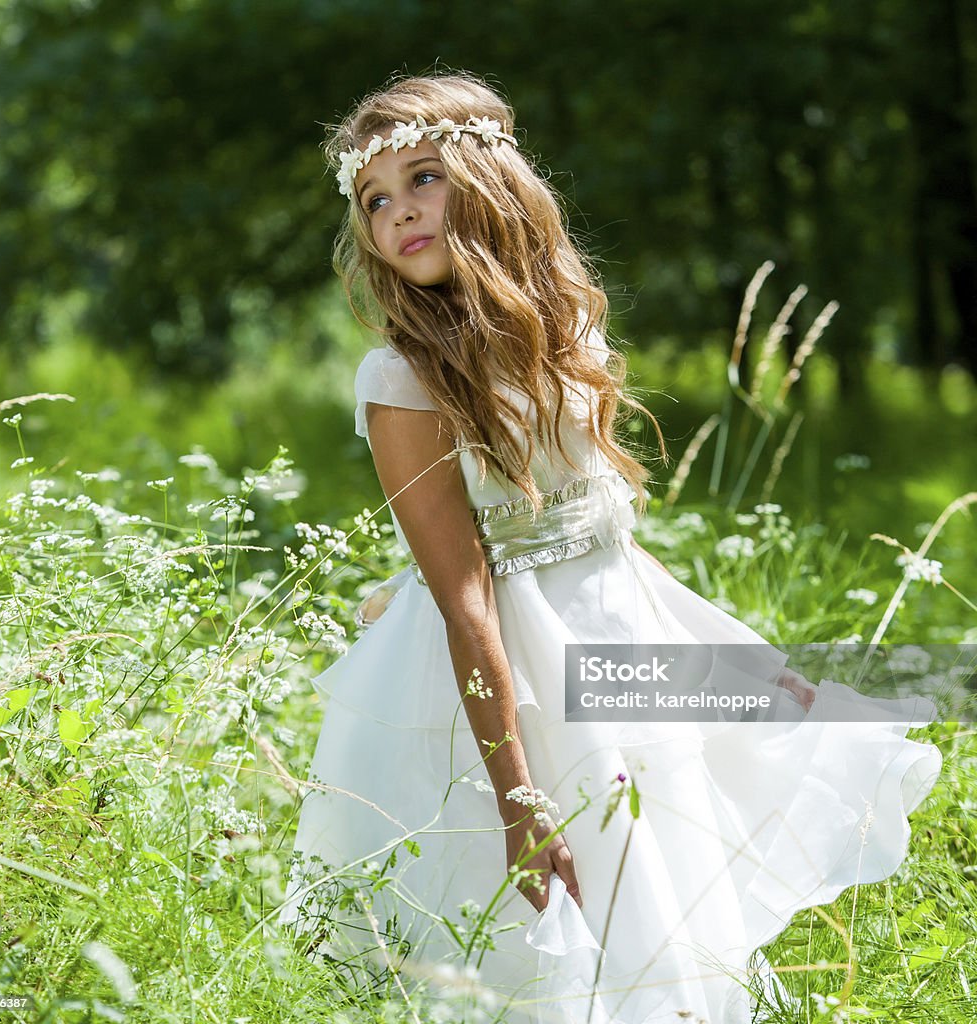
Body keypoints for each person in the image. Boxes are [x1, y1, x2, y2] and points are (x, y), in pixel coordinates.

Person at [279, 71, 943, 1024]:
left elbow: (610, 544)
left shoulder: (565, 328)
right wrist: (519, 803)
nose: (397, 213)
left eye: (422, 178)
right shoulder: (400, 377)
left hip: (611, 639)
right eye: (374, 200)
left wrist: (740, 675)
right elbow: (467, 599)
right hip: (506, 674)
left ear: (491, 180)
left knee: (655, 901)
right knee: (545, 934)